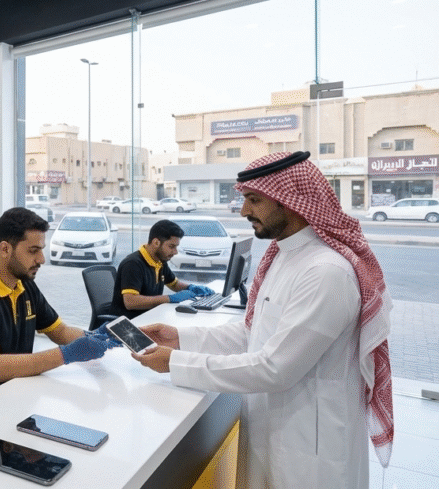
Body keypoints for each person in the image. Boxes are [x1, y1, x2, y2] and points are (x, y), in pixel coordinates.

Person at [133, 151, 393, 489]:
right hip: (272, 430)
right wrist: (181, 338)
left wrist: (177, 363)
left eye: (254, 200)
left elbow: (275, 367)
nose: (244, 211)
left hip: (311, 451)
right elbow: (255, 335)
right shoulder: (287, 257)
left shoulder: (326, 272)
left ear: (291, 201)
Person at [0, 207, 120, 406]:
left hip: (13, 392)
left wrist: (96, 337)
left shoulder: (24, 285)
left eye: (41, 250)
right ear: (5, 249)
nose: (41, 259)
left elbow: (60, 331)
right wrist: (66, 354)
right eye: (33, 251)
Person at [109, 219, 214, 318]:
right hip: (130, 322)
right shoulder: (133, 264)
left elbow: (174, 284)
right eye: (171, 246)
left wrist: (191, 288)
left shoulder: (159, 261)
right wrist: (169, 298)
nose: (175, 252)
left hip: (150, 316)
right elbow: (130, 302)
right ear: (156, 243)